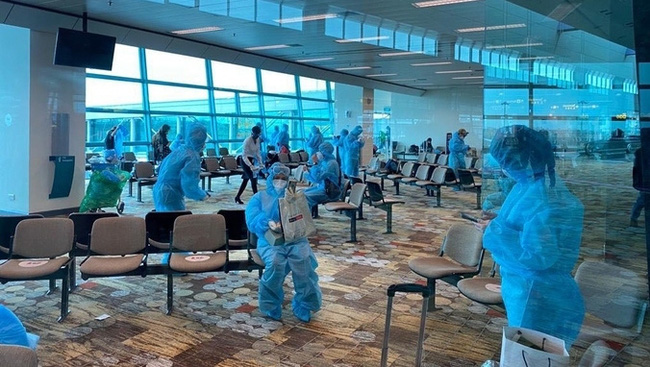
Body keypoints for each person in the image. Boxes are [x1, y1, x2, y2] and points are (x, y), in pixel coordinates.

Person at [478, 125, 585, 349]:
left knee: (529, 353)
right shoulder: (533, 185)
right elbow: (529, 228)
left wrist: (493, 230)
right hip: (529, 288)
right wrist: (498, 220)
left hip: (535, 293)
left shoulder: (541, 196)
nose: (503, 169)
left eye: (505, 163)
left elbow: (537, 256)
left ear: (518, 161)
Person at [245, 163, 322, 322]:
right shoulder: (259, 197)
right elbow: (251, 219)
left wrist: (297, 204)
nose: (280, 181)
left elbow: (304, 218)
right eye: (277, 178)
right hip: (270, 241)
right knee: (275, 264)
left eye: (283, 178)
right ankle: (271, 304)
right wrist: (267, 222)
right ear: (270, 178)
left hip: (296, 240)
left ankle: (305, 304)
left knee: (304, 263)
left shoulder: (293, 196)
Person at [152, 124, 210, 211]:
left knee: (163, 221)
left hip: (158, 190)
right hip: (171, 194)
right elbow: (189, 183)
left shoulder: (179, 151)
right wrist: (202, 195)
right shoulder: (192, 156)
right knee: (175, 221)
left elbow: (160, 169)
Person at [303, 142, 340, 210]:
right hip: (321, 187)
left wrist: (315, 163)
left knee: (305, 196)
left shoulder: (331, 164)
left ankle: (308, 216)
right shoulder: (324, 162)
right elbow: (315, 179)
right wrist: (307, 173)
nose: (318, 153)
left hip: (329, 192)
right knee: (301, 193)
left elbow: (318, 178)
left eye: (320, 151)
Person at [235, 125, 264, 205]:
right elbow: (244, 156)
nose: (256, 136)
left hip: (251, 160)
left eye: (258, 135)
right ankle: (257, 200)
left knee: (245, 180)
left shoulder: (258, 140)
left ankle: (237, 197)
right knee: (253, 179)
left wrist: (260, 163)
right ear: (252, 133)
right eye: (255, 134)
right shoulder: (247, 141)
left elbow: (258, 153)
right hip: (244, 161)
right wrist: (251, 166)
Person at [631, 147, 646, 227]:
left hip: (644, 182)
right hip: (645, 181)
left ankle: (633, 218)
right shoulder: (641, 152)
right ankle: (633, 218)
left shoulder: (640, 152)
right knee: (642, 200)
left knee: (641, 200)